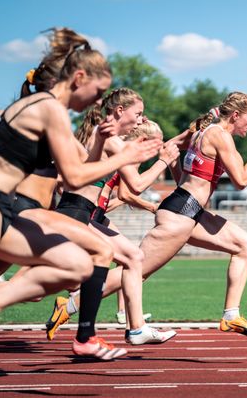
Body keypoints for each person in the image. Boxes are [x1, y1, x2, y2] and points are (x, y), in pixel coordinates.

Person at [0, 29, 160, 361]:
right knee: (86, 257)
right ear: (79, 77)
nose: (98, 102)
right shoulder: (49, 108)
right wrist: (126, 157)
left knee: (78, 263)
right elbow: (74, 176)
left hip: (5, 209)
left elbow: (74, 167)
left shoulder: (40, 108)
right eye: (99, 92)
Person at [46, 90, 178, 345]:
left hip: (83, 212)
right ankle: (111, 327)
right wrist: (163, 162)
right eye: (138, 114)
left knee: (133, 257)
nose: (141, 119)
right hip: (76, 212)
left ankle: (133, 327)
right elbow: (136, 186)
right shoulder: (112, 140)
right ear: (119, 111)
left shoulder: (106, 135)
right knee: (37, 288)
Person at [138, 92, 247, 336]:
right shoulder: (219, 135)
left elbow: (184, 179)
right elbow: (241, 180)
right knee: (135, 272)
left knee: (245, 245)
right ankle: (71, 304)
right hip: (180, 213)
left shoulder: (203, 133)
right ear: (235, 115)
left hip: (188, 210)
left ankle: (231, 316)